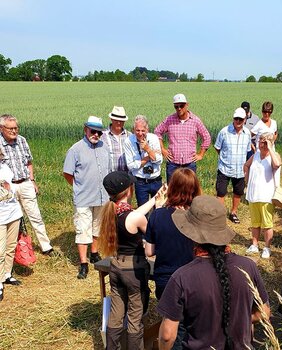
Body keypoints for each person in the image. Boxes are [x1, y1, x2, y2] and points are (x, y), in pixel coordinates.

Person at [157, 195, 270, 349]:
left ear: (192, 235)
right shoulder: (248, 266)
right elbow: (263, 312)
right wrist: (235, 322)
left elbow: (167, 336)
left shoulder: (182, 277)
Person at [98, 171, 163, 349]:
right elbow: (153, 236)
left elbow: (133, 214)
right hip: (133, 271)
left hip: (116, 266)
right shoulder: (135, 217)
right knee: (135, 318)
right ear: (129, 190)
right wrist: (160, 208)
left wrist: (153, 201)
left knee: (116, 313)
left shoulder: (110, 211)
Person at [63, 116, 110, 279]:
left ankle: (94, 253)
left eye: (99, 132)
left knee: (97, 227)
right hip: (83, 198)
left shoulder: (104, 147)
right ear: (85, 130)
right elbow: (67, 173)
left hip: (102, 197)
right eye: (93, 131)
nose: (96, 135)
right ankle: (83, 264)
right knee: (83, 230)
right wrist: (79, 187)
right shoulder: (75, 149)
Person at [0, 114, 53, 255]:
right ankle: (15, 249)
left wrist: (32, 180)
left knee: (35, 215)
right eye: (10, 128)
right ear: (1, 128)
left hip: (25, 183)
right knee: (12, 219)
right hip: (7, 188)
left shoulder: (22, 140)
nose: (14, 131)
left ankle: (46, 246)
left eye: (16, 128)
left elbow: (29, 162)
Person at [145, 168, 201, 299]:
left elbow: (149, 252)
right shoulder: (197, 215)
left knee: (169, 317)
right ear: (194, 189)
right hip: (193, 278)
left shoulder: (157, 215)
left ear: (172, 188)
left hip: (165, 279)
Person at [154, 93, 211, 183]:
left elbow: (206, 137)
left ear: (187, 105)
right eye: (176, 106)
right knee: (172, 191)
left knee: (190, 190)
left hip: (189, 163)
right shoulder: (169, 120)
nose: (179, 108)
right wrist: (162, 149)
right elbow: (157, 132)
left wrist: (201, 154)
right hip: (173, 163)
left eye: (182, 105)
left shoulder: (195, 120)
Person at [244, 132, 282, 259]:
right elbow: (246, 166)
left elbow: (277, 165)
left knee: (267, 224)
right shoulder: (255, 156)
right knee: (255, 223)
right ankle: (254, 245)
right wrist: (247, 180)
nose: (262, 144)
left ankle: (267, 247)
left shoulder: (274, 156)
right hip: (253, 195)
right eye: (261, 141)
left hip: (266, 196)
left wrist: (270, 147)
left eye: (265, 142)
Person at [214, 108, 251, 224]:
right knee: (221, 192)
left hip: (240, 169)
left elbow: (248, 150)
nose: (238, 121)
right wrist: (224, 158)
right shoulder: (224, 132)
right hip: (224, 168)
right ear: (233, 119)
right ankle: (220, 215)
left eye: (241, 119)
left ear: (245, 120)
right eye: (236, 118)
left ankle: (233, 213)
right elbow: (217, 147)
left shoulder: (248, 134)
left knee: (238, 192)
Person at [0, 150, 23, 301]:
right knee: (0, 250)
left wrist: (10, 188)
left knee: (11, 246)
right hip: (0, 216)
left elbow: (13, 186)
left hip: (13, 212)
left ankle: (7, 274)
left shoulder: (5, 167)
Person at [125, 115, 163, 206]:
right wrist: (149, 156)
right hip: (140, 182)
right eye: (137, 130)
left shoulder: (154, 138)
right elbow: (130, 166)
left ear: (147, 130)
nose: (140, 133)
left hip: (156, 180)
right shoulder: (128, 142)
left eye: (143, 130)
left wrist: (147, 149)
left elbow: (159, 160)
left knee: (158, 210)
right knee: (142, 212)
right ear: (133, 130)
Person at [101, 106, 131, 172]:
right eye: (116, 120)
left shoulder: (130, 136)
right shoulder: (102, 136)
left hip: (127, 177)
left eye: (121, 121)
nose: (119, 123)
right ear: (111, 119)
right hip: (109, 176)